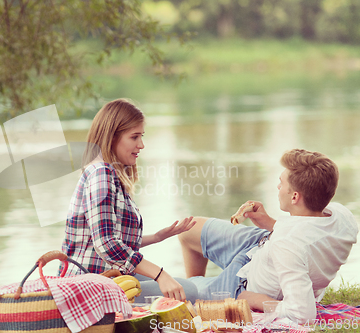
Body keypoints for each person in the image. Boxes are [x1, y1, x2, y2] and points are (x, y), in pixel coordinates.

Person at [179, 148, 358, 324]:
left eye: (282, 183)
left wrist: (255, 300)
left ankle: (199, 297)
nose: (278, 186)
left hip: (240, 286)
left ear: (295, 196)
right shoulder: (342, 216)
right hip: (260, 244)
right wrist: (270, 223)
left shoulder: (288, 245)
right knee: (187, 229)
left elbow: (303, 313)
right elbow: (308, 233)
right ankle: (199, 288)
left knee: (180, 291)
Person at [60, 98, 199, 302]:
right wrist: (160, 275)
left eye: (141, 136)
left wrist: (158, 237)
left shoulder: (107, 173)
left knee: (180, 284)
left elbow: (108, 240)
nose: (141, 145)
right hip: (89, 287)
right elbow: (107, 244)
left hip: (108, 276)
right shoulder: (101, 174)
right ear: (112, 137)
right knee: (188, 290)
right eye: (134, 137)